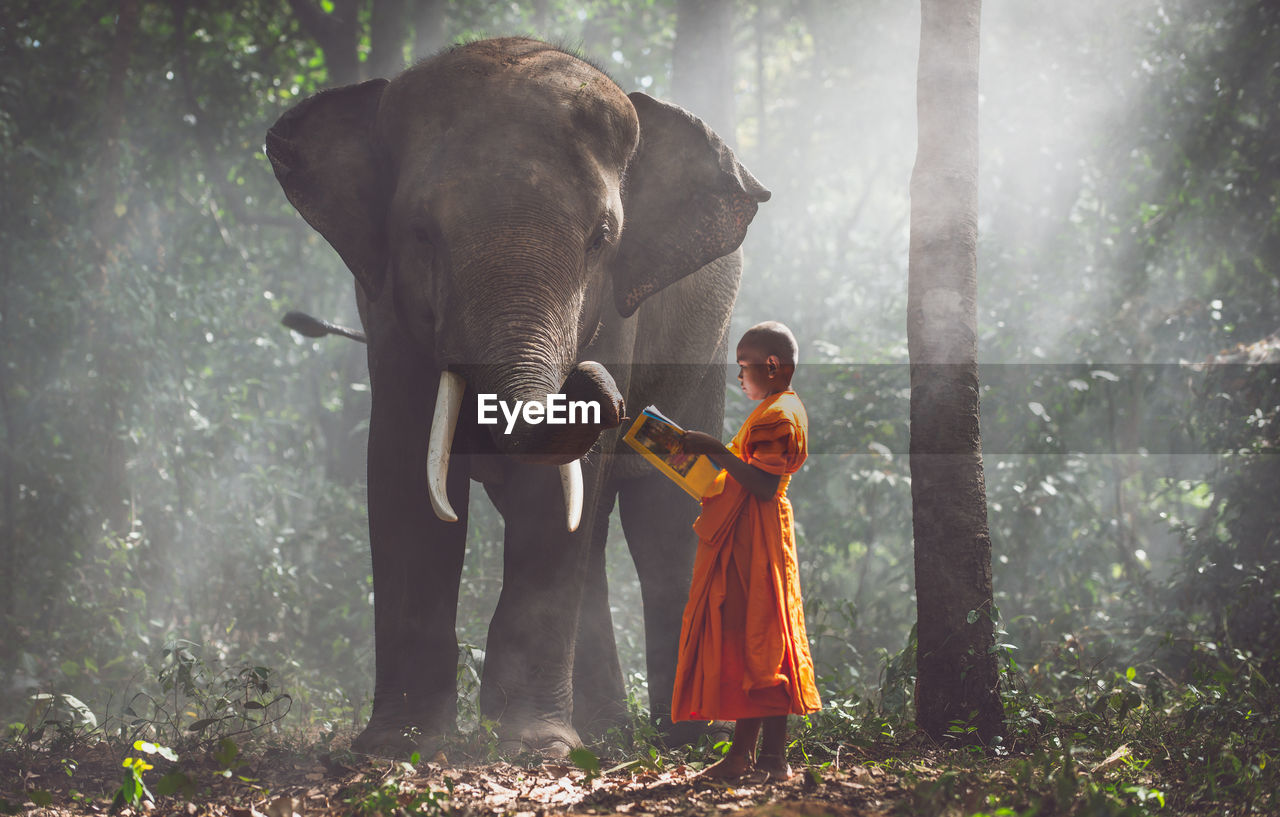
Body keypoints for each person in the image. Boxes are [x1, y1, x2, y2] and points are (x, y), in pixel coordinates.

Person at [672, 320, 821, 780]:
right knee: (751, 644)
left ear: (773, 367)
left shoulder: (781, 414)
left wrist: (715, 449)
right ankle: (745, 756)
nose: (739, 377)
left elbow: (763, 485)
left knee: (764, 640)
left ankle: (772, 759)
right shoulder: (772, 408)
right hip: (745, 536)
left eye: (744, 367)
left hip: (760, 539)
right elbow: (746, 476)